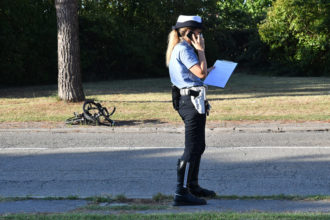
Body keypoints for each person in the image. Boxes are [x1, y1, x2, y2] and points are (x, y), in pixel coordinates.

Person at [166, 15, 216, 206]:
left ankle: (192, 186)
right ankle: (180, 193)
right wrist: (201, 51)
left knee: (199, 146)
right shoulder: (184, 49)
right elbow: (200, 73)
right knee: (191, 148)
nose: (200, 35)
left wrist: (212, 69)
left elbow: (197, 74)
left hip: (194, 100)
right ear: (188, 32)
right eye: (198, 32)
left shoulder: (183, 48)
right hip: (190, 102)